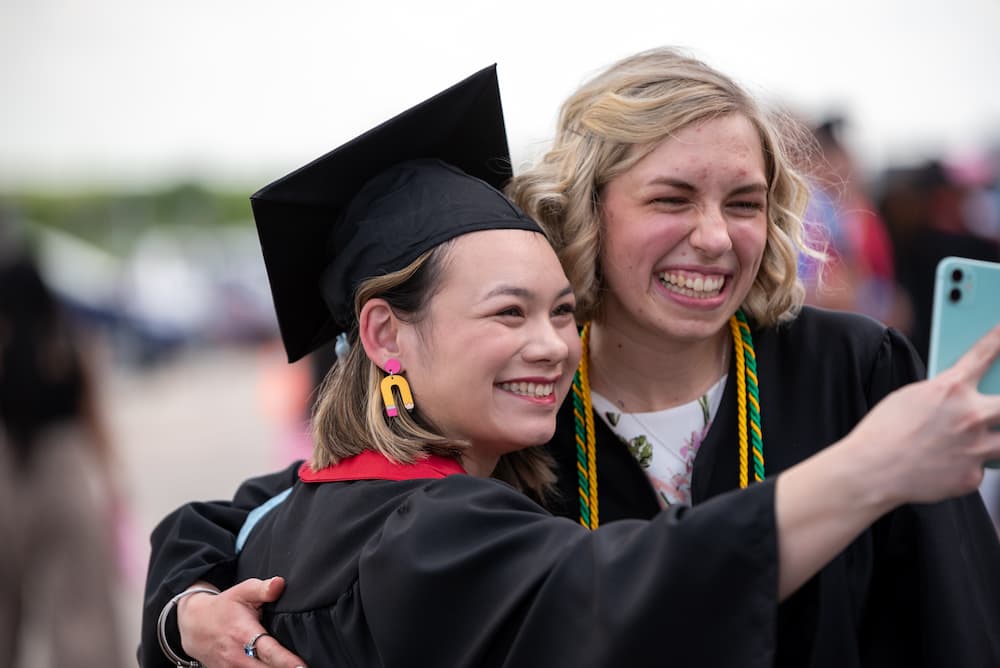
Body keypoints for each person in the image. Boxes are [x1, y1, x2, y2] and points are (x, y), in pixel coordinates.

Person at [140, 51, 1000, 668]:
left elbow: (956, 618)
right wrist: (188, 614)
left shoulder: (848, 369)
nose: (713, 235)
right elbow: (249, 518)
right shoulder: (519, 409)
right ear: (588, 207)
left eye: (745, 201)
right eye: (670, 197)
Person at [0, 238, 126, 667]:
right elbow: (95, 418)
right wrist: (112, 481)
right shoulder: (67, 342)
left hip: (6, 477)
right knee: (81, 610)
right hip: (66, 472)